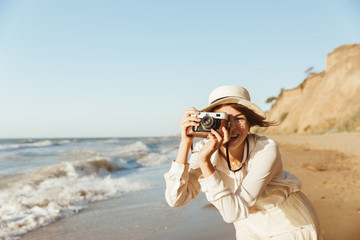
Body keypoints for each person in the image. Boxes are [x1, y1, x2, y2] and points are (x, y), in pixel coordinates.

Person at [164, 85, 322, 239]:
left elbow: (232, 213)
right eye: (224, 120)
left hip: (289, 224)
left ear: (250, 124)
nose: (231, 127)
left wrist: (205, 164)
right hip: (247, 226)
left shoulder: (265, 149)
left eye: (239, 118)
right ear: (210, 121)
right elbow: (175, 199)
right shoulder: (203, 150)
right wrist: (185, 142)